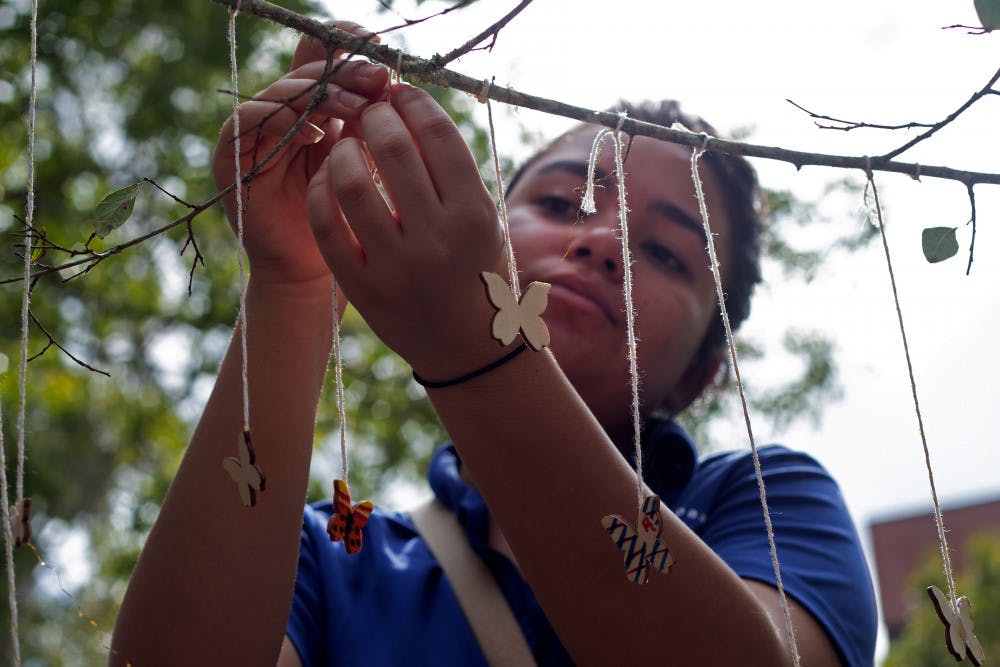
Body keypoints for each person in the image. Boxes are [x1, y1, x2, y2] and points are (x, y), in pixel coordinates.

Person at [111, 22, 877, 667]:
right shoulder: (332, 553)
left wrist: (477, 348)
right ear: (491, 227)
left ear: (703, 375)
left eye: (669, 253)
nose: (605, 243)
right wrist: (294, 286)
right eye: (559, 201)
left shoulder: (768, 505)